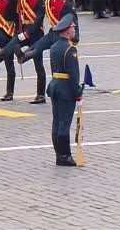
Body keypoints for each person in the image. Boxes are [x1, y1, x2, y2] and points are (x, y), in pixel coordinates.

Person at [16, 0, 80, 64]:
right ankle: (23, 57)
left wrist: (75, 37)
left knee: (55, 58)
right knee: (36, 46)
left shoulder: (68, 2)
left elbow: (74, 20)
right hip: (52, 32)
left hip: (62, 34)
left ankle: (24, 56)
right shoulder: (48, 1)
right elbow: (37, 11)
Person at [47, 13, 83, 167]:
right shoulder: (70, 49)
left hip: (55, 85)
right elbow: (73, 74)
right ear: (67, 30)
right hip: (66, 88)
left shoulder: (54, 46)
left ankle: (59, 154)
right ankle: (64, 155)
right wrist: (78, 92)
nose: (75, 30)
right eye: (73, 27)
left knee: (57, 121)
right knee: (64, 123)